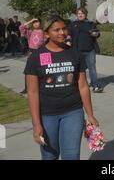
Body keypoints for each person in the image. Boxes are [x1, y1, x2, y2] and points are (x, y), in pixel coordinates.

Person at [24, 15, 99, 160]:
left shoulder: (75, 53)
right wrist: (36, 124)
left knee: (71, 155)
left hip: (73, 112)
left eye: (64, 28)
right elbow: (32, 93)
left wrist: (90, 115)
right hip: (47, 115)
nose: (62, 33)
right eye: (56, 30)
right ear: (46, 33)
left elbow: (83, 86)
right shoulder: (36, 57)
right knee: (50, 156)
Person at [68, 7, 103, 93]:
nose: (80, 15)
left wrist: (95, 34)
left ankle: (95, 86)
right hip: (77, 50)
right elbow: (68, 35)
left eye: (82, 13)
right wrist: (68, 41)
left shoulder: (90, 23)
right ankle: (75, 85)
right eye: (79, 13)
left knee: (92, 68)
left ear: (85, 14)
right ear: (77, 15)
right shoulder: (73, 24)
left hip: (90, 50)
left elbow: (97, 33)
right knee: (77, 69)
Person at [19, 18, 44, 94]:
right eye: (34, 23)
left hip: (41, 53)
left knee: (43, 71)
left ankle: (42, 88)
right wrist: (30, 20)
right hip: (32, 52)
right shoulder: (30, 32)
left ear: (40, 23)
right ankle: (27, 88)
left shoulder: (43, 32)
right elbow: (21, 27)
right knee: (28, 71)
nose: (36, 24)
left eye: (37, 22)